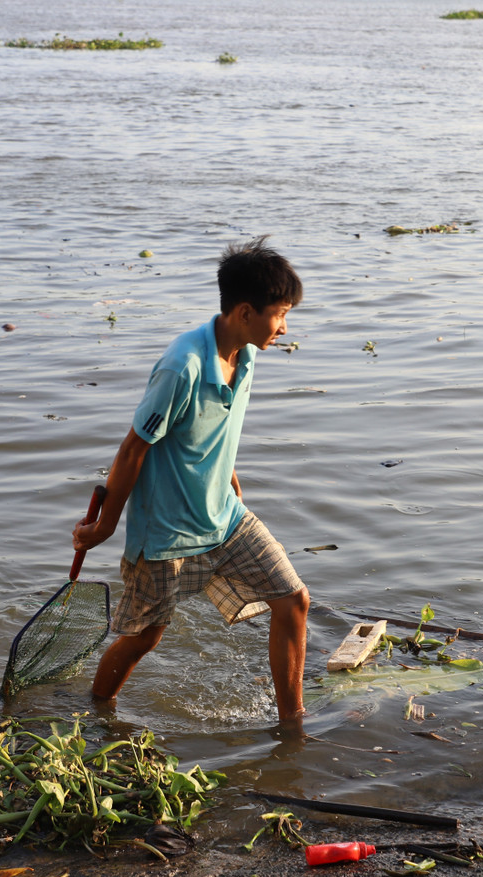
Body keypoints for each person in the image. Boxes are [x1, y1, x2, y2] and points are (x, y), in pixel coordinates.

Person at [72, 236, 310, 724]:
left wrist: (230, 480)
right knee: (145, 636)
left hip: (224, 517)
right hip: (165, 533)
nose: (284, 328)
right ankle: (97, 712)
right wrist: (105, 527)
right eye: (279, 314)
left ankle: (294, 724)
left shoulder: (245, 355)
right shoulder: (182, 366)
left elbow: (212, 427)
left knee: (294, 600)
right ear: (245, 312)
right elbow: (134, 448)